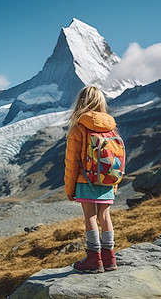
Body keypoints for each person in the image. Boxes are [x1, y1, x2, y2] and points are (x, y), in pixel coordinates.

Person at [64, 86, 119, 274]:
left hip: (85, 180)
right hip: (107, 180)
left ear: (81, 102)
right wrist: (114, 184)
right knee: (105, 216)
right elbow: (116, 159)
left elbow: (72, 162)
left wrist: (70, 189)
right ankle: (109, 257)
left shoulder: (79, 127)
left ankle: (94, 259)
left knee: (90, 216)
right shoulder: (111, 128)